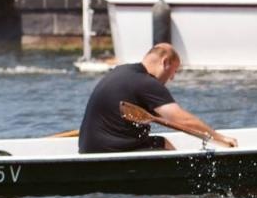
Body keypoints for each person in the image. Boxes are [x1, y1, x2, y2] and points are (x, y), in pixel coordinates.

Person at [77, 43, 237, 153]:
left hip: (88, 149)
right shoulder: (146, 83)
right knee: (163, 146)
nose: (172, 78)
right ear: (165, 62)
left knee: (160, 142)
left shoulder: (121, 71)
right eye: (174, 71)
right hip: (113, 151)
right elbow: (182, 120)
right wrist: (219, 138)